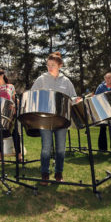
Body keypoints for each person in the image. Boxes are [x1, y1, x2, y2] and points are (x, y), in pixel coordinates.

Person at [30, 52, 77, 185]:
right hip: (45, 119)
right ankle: (45, 174)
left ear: (60, 66)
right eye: (48, 65)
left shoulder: (66, 81)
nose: (50, 67)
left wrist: (76, 100)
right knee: (46, 147)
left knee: (61, 148)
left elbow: (73, 97)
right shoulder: (41, 79)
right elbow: (32, 94)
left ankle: (58, 173)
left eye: (53, 65)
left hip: (61, 120)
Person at [0, 69, 22, 161]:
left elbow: (14, 98)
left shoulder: (10, 86)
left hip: (10, 113)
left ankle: (19, 156)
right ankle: (1, 156)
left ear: (2, 75)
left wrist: (16, 105)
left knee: (15, 133)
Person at [95, 72, 111, 152]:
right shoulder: (100, 87)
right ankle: (102, 148)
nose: (107, 79)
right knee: (102, 129)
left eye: (109, 78)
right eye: (106, 78)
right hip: (103, 110)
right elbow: (96, 97)